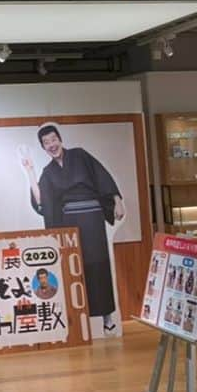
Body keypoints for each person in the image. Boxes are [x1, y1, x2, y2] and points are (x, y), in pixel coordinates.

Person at [20, 123, 124, 332]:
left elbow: (102, 176)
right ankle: (80, 317)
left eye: (53, 139)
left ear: (60, 139)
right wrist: (30, 171)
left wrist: (117, 199)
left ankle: (107, 317)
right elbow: (42, 201)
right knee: (76, 267)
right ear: (43, 147)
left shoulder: (80, 155)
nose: (51, 145)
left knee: (99, 264)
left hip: (92, 218)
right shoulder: (48, 172)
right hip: (69, 224)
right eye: (46, 142)